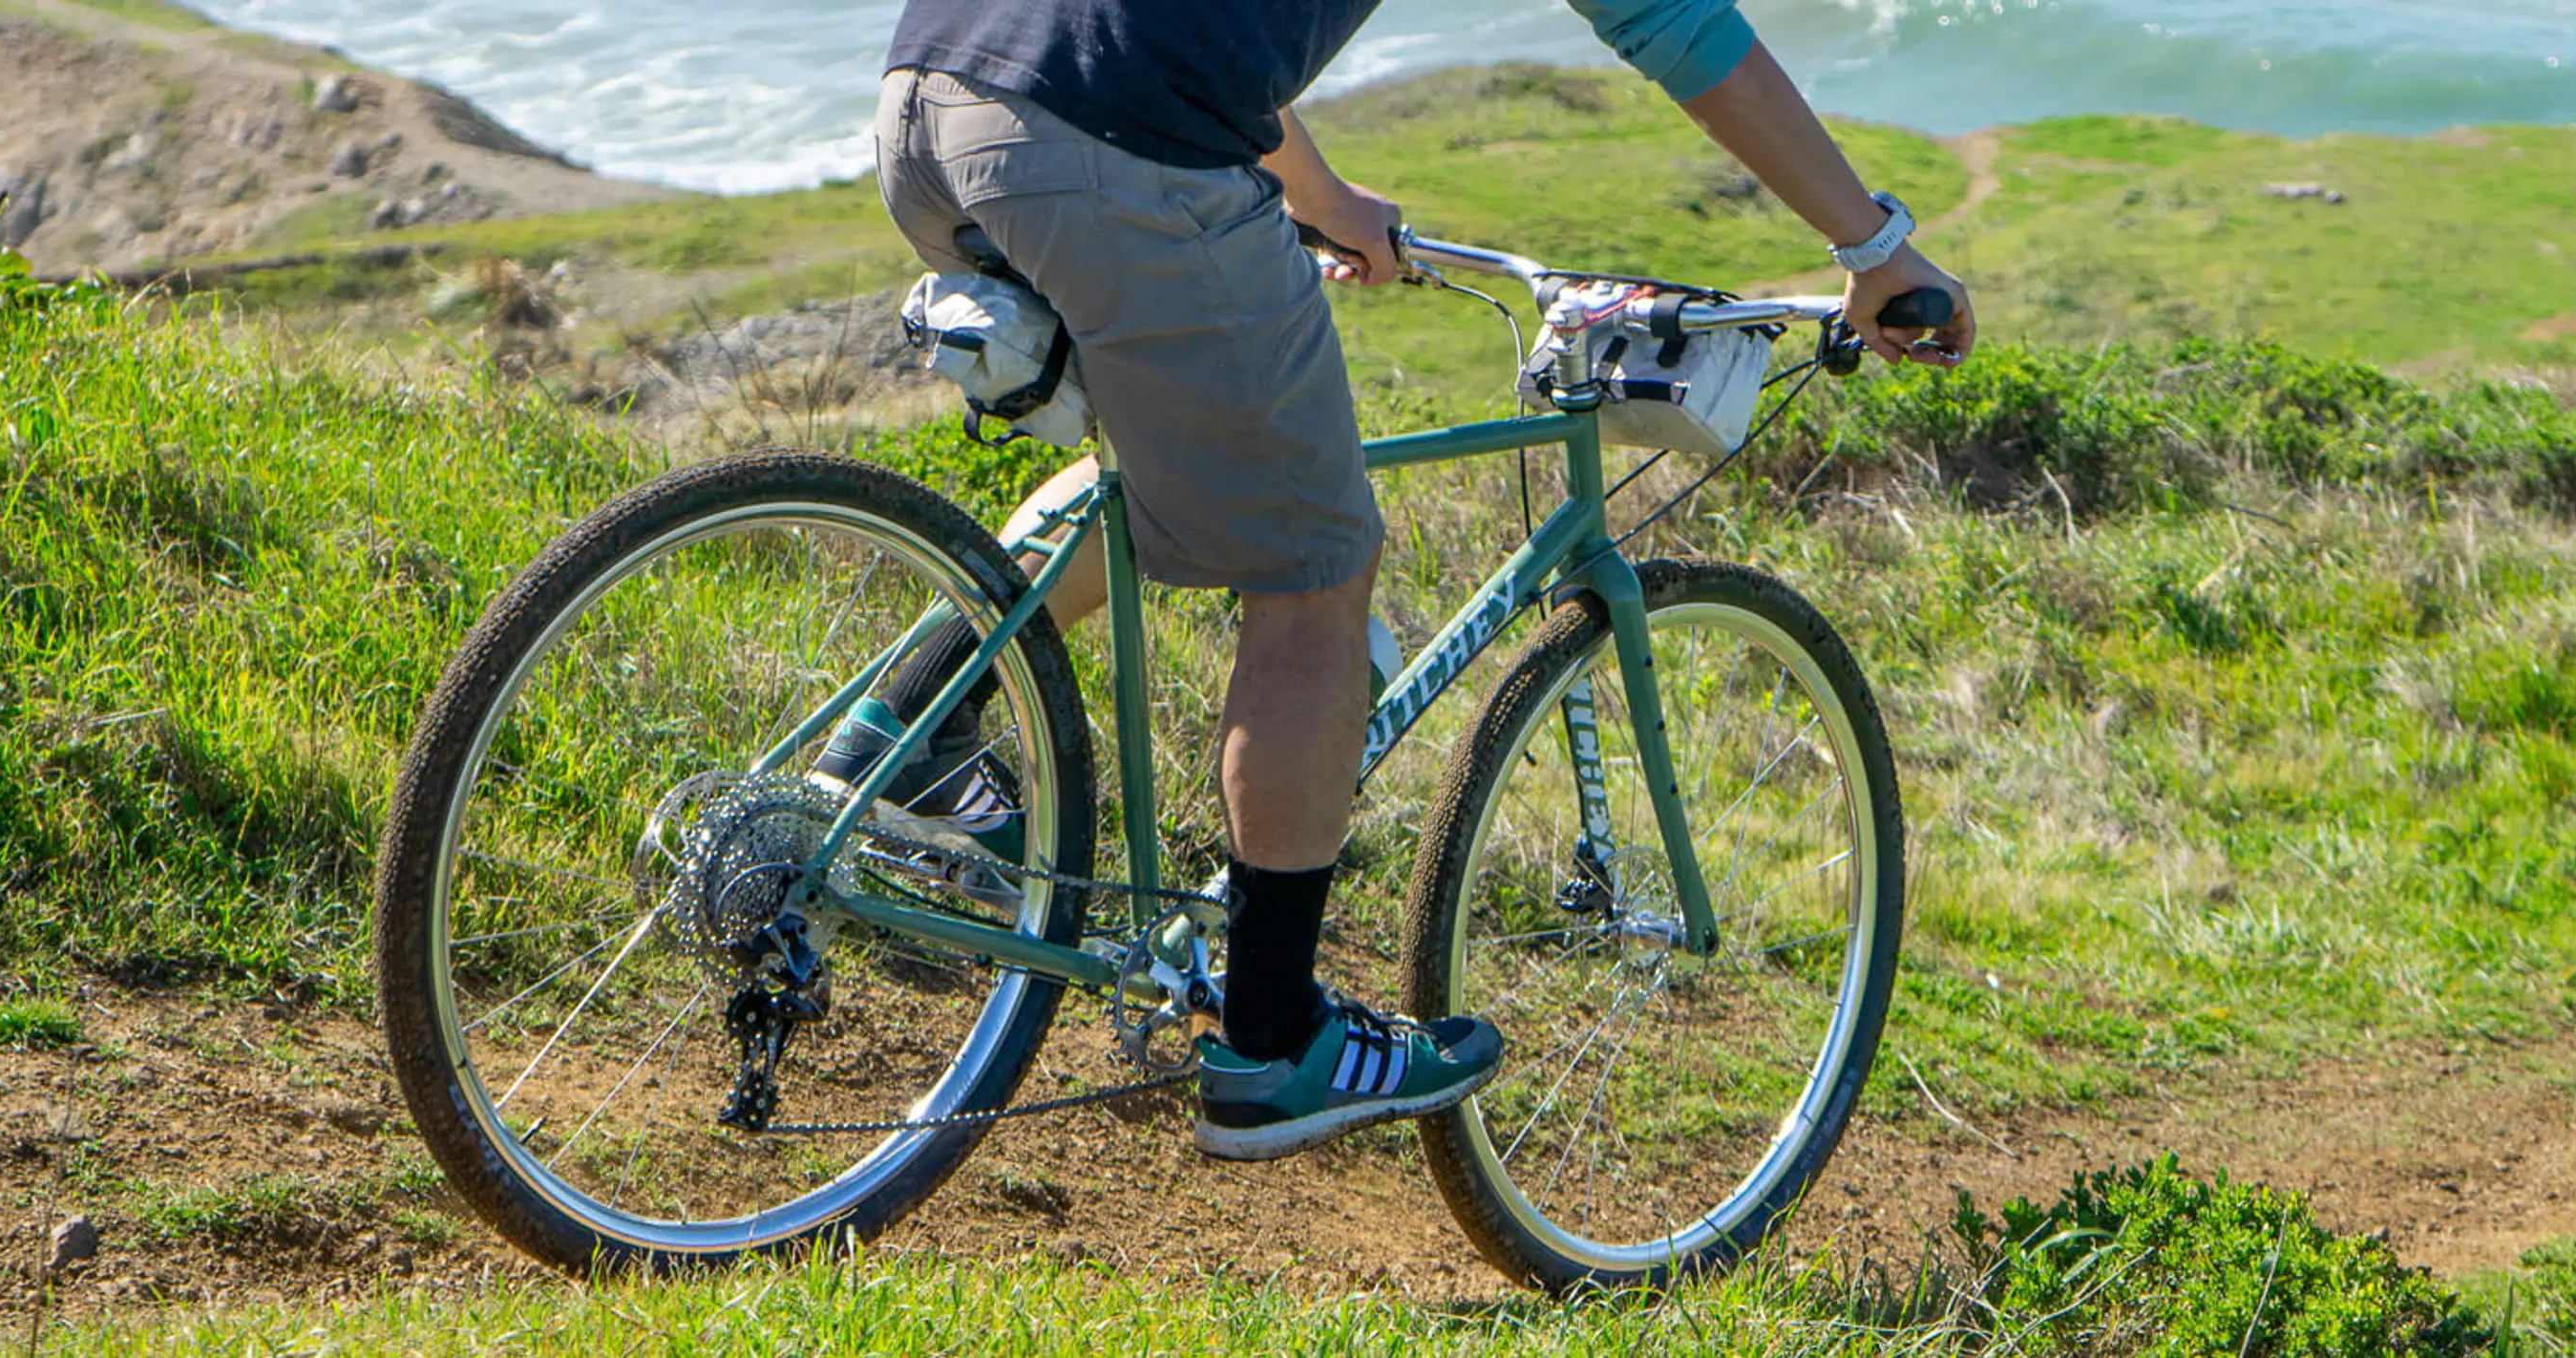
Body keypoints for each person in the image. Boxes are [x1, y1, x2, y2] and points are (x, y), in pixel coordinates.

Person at [833, 0, 1977, 1162]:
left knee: (1162, 449)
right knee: (1315, 573)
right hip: (1107, 145)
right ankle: (1275, 1044)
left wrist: (1322, 199)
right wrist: (1875, 252)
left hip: (930, 105)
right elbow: (1674, 26)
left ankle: (906, 729)